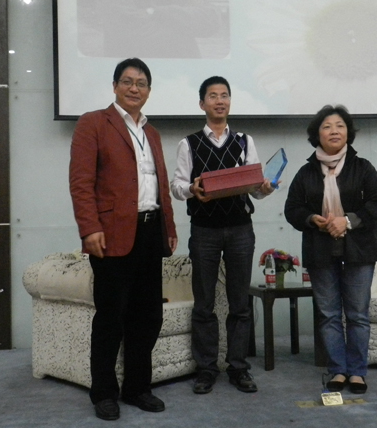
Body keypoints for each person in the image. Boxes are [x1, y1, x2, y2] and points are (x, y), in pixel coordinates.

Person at [69, 58, 178, 421]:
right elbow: (81, 182)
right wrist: (89, 228)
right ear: (115, 86)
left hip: (150, 232)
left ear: (148, 91)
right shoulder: (93, 123)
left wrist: (169, 228)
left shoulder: (152, 133)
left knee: (147, 316)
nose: (134, 88)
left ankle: (137, 387)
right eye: (128, 82)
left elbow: (160, 185)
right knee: (111, 317)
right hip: (112, 234)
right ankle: (103, 392)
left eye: (141, 83)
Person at [170, 76, 275, 395]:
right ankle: (206, 369)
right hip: (204, 230)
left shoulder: (244, 141)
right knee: (204, 304)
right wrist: (192, 189)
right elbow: (176, 186)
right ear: (202, 103)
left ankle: (238, 367)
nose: (220, 100)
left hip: (241, 228)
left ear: (230, 101)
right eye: (213, 96)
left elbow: (254, 187)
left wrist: (264, 188)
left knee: (240, 302)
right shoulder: (188, 143)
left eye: (225, 95)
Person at [284, 105, 377, 394]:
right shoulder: (306, 172)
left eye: (340, 126)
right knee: (329, 314)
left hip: (359, 250)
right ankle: (337, 370)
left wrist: (348, 221)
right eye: (327, 126)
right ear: (317, 134)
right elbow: (292, 209)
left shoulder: (363, 167)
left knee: (357, 314)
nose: (334, 131)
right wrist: (311, 219)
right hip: (320, 250)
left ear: (348, 133)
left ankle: (357, 372)